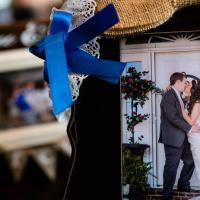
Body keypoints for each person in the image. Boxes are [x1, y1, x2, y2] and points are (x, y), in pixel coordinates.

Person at [158, 72, 200, 200]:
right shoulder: (168, 95)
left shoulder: (179, 96)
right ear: (177, 83)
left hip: (184, 138)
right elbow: (172, 117)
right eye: (184, 82)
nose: (186, 84)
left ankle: (183, 184)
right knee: (172, 165)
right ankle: (167, 194)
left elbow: (185, 108)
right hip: (172, 138)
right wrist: (190, 128)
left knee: (190, 160)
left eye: (188, 82)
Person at [181, 80, 200, 181]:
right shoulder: (191, 101)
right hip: (193, 137)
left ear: (193, 89)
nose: (186, 85)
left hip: (197, 138)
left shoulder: (197, 103)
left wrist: (183, 112)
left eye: (188, 84)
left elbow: (192, 121)